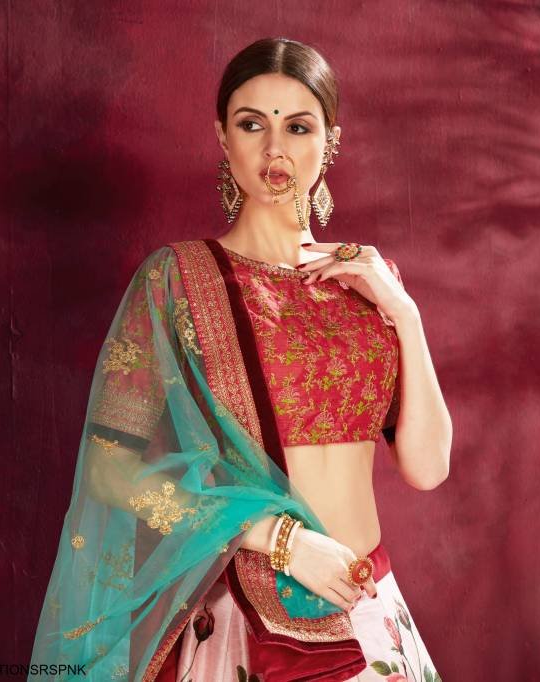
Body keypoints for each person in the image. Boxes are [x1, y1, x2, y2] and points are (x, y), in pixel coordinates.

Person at [27, 37, 451, 682]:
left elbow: (427, 468)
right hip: (249, 618)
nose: (275, 148)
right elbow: (111, 471)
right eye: (253, 124)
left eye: (298, 127)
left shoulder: (369, 283)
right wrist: (282, 540)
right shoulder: (177, 280)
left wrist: (406, 315)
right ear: (222, 137)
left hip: (369, 608)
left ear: (331, 141)